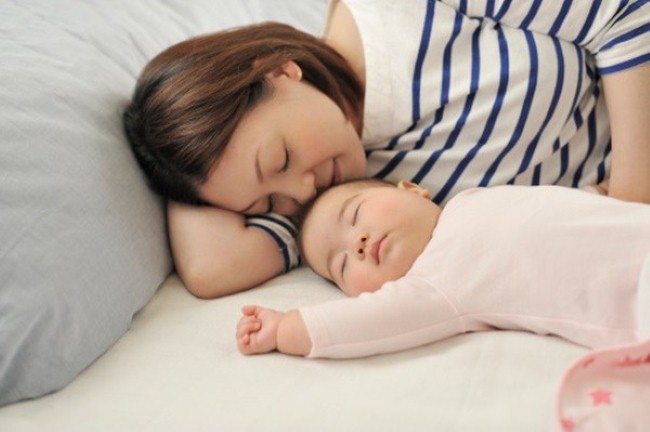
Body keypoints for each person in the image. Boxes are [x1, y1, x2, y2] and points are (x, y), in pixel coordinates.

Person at [123, 0, 650, 298]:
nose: (302, 189)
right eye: (266, 203)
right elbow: (212, 268)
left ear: (280, 70)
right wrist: (177, 165)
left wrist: (631, 200)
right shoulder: (347, 210)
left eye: (280, 159)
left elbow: (627, 15)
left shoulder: (405, 11)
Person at [235, 178, 650, 358]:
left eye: (356, 214)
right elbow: (361, 324)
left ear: (413, 190)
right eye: (341, 264)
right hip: (634, 292)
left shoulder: (470, 198)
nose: (356, 241)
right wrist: (285, 329)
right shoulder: (434, 285)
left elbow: (548, 207)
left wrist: (594, 193)